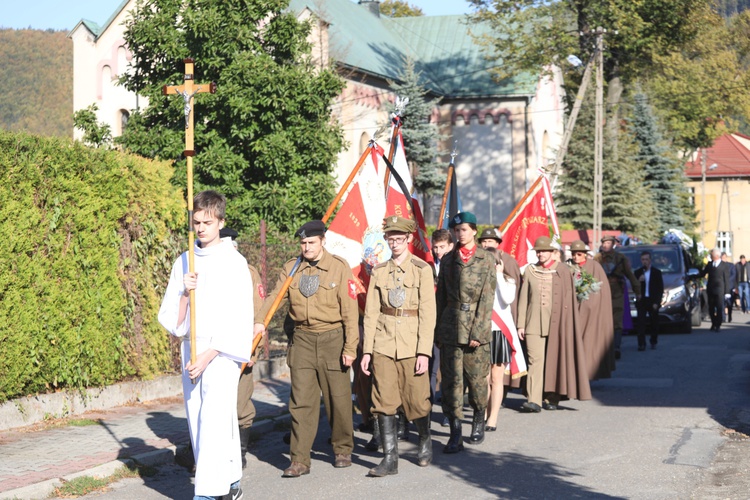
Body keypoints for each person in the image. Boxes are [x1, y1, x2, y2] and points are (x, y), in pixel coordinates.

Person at [158, 190, 252, 500]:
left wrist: (210, 354)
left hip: (221, 353)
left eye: (207, 222)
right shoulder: (184, 260)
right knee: (199, 419)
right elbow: (174, 320)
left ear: (221, 222)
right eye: (196, 222)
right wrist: (185, 292)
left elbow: (239, 316)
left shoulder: (234, 262)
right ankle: (230, 480)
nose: (200, 228)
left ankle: (208, 493)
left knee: (213, 418)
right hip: (192, 348)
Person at [256, 220, 358, 477]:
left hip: (332, 338)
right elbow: (275, 297)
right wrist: (259, 320)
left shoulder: (338, 267)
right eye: (303, 243)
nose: (306, 247)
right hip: (301, 339)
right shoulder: (292, 267)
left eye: (311, 242)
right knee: (301, 401)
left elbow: (349, 312)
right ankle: (300, 459)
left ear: (323, 241)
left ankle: (342, 448)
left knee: (339, 398)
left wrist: (350, 347)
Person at [361, 216, 436, 476]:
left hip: (412, 345)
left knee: (418, 400)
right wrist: (367, 351)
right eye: (390, 239)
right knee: (383, 401)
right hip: (383, 344)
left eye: (399, 239)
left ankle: (425, 439)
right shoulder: (379, 271)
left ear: (407, 240)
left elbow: (428, 314)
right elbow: (371, 314)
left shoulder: (422, 270)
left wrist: (424, 352)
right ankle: (390, 459)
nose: (394, 244)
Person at [436, 212, 496, 453]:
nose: (459, 233)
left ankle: (478, 420)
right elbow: (440, 297)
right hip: (451, 326)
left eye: (463, 229)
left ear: (474, 231)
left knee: (476, 380)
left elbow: (487, 298)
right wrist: (438, 330)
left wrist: (478, 332)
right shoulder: (449, 260)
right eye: (456, 230)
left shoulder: (485, 259)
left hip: (475, 327)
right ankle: (455, 433)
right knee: (451, 382)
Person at [517, 236, 591, 412]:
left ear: (553, 253)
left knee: (555, 359)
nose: (541, 254)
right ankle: (533, 400)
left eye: (544, 251)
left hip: (557, 323)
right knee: (535, 360)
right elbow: (523, 299)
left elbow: (569, 300)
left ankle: (552, 397)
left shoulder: (563, 271)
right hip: (533, 322)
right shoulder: (529, 270)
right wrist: (521, 324)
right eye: (538, 251)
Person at [216, 227, 267, 470]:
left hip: (239, 349)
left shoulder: (248, 272)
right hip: (212, 351)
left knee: (240, 405)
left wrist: (253, 350)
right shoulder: (208, 270)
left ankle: (240, 453)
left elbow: (259, 313)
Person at [484, 247, 526, 431]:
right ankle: (484, 412)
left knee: (496, 378)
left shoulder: (508, 281)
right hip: (482, 332)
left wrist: (499, 275)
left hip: (499, 333)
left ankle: (493, 418)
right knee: (483, 379)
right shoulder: (479, 281)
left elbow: (508, 299)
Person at [569, 240, 615, 380]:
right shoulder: (568, 267)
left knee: (588, 343)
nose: (576, 257)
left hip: (590, 312)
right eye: (573, 254)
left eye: (579, 254)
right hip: (572, 310)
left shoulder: (594, 266)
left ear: (585, 254)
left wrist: (591, 305)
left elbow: (601, 291)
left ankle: (587, 374)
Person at [594, 235, 640, 359]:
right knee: (602, 321)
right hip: (601, 293)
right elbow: (590, 275)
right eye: (604, 243)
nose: (605, 245)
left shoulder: (621, 258)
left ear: (613, 244)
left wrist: (638, 291)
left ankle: (616, 347)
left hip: (617, 292)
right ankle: (603, 348)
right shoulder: (597, 259)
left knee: (617, 320)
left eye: (608, 243)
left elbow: (630, 275)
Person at [429, 229, 454, 427]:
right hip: (430, 324)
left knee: (448, 370)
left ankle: (449, 411)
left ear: (451, 246)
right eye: (435, 247)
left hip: (449, 325)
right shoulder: (427, 267)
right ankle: (425, 411)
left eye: (442, 247)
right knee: (429, 368)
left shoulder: (456, 266)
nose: (438, 251)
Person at [634, 251, 664, 351]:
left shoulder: (656, 272)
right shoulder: (638, 272)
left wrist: (657, 302)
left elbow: (660, 289)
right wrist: (639, 281)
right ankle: (641, 344)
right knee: (641, 323)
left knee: (654, 322)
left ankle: (653, 341)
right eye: (643, 260)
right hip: (642, 301)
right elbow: (634, 287)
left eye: (646, 259)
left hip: (652, 300)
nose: (645, 262)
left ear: (650, 260)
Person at [702, 248, 732, 332]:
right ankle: (713, 322)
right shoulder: (709, 264)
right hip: (710, 289)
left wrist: (727, 292)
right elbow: (703, 273)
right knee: (711, 307)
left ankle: (718, 324)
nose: (710, 256)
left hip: (720, 289)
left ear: (716, 256)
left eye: (712, 255)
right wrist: (693, 275)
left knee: (719, 307)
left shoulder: (724, 265)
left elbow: (726, 279)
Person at [722, 252, 738, 323]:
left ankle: (730, 315)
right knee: (722, 302)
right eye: (722, 258)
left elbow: (733, 275)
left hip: (730, 287)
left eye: (724, 257)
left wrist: (727, 281)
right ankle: (723, 317)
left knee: (729, 303)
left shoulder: (731, 265)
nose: (723, 259)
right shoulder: (719, 265)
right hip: (722, 286)